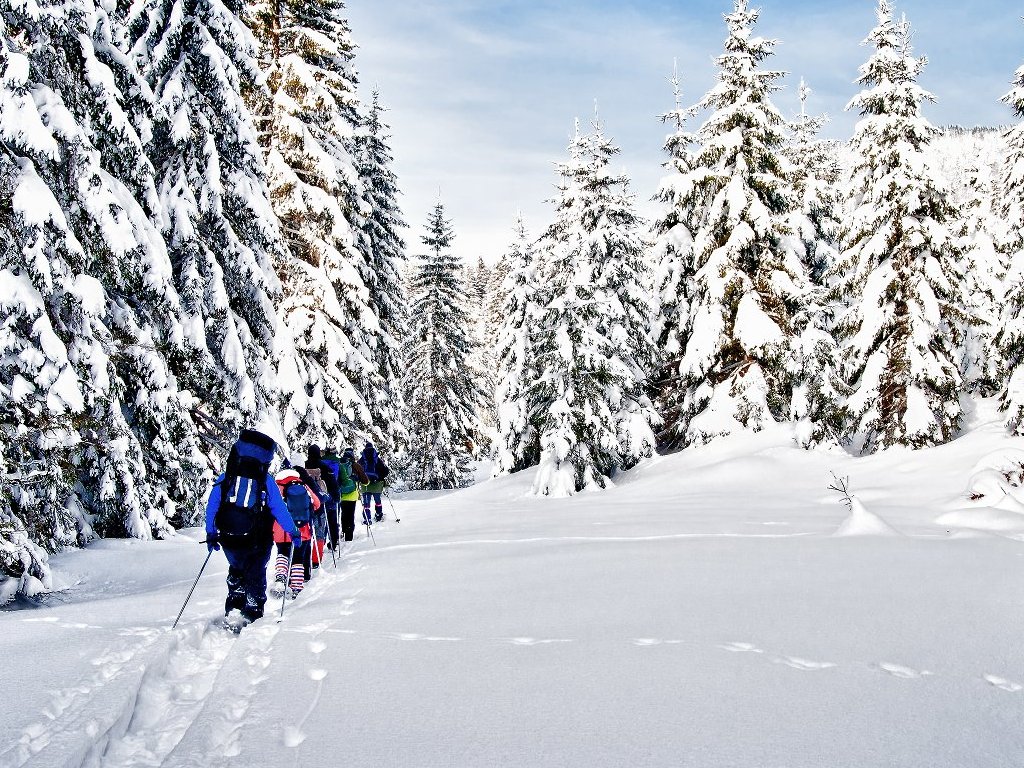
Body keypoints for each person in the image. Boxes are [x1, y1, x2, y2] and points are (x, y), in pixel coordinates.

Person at [205, 430, 301, 627]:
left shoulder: (226, 478)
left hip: (229, 538)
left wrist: (211, 533)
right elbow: (279, 509)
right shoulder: (266, 482)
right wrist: (293, 531)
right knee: (256, 572)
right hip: (258, 539)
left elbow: (212, 506)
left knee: (237, 567)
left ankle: (235, 601)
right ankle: (253, 610)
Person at [270, 468, 320, 597]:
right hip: (302, 530)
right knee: (298, 558)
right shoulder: (303, 486)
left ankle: (281, 576)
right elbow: (317, 504)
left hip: (281, 529)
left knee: (282, 553)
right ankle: (297, 587)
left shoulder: (276, 487)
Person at [306, 445, 340, 549]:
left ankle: (311, 547)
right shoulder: (324, 466)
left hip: (309, 499)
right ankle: (333, 542)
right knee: (331, 521)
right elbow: (332, 482)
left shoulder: (304, 465)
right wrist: (336, 496)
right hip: (326, 498)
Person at [339, 446, 368, 541]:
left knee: (344, 513)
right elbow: (365, 481)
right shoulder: (356, 465)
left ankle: (344, 530)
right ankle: (349, 534)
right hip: (352, 494)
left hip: (341, 494)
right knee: (350, 514)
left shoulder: (339, 464)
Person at [357, 441, 389, 525]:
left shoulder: (362, 460)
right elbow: (386, 471)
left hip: (365, 485)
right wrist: (380, 477)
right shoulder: (377, 459)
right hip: (377, 484)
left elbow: (357, 471)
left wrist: (361, 479)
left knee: (366, 503)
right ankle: (379, 515)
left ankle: (367, 519)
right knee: (377, 501)